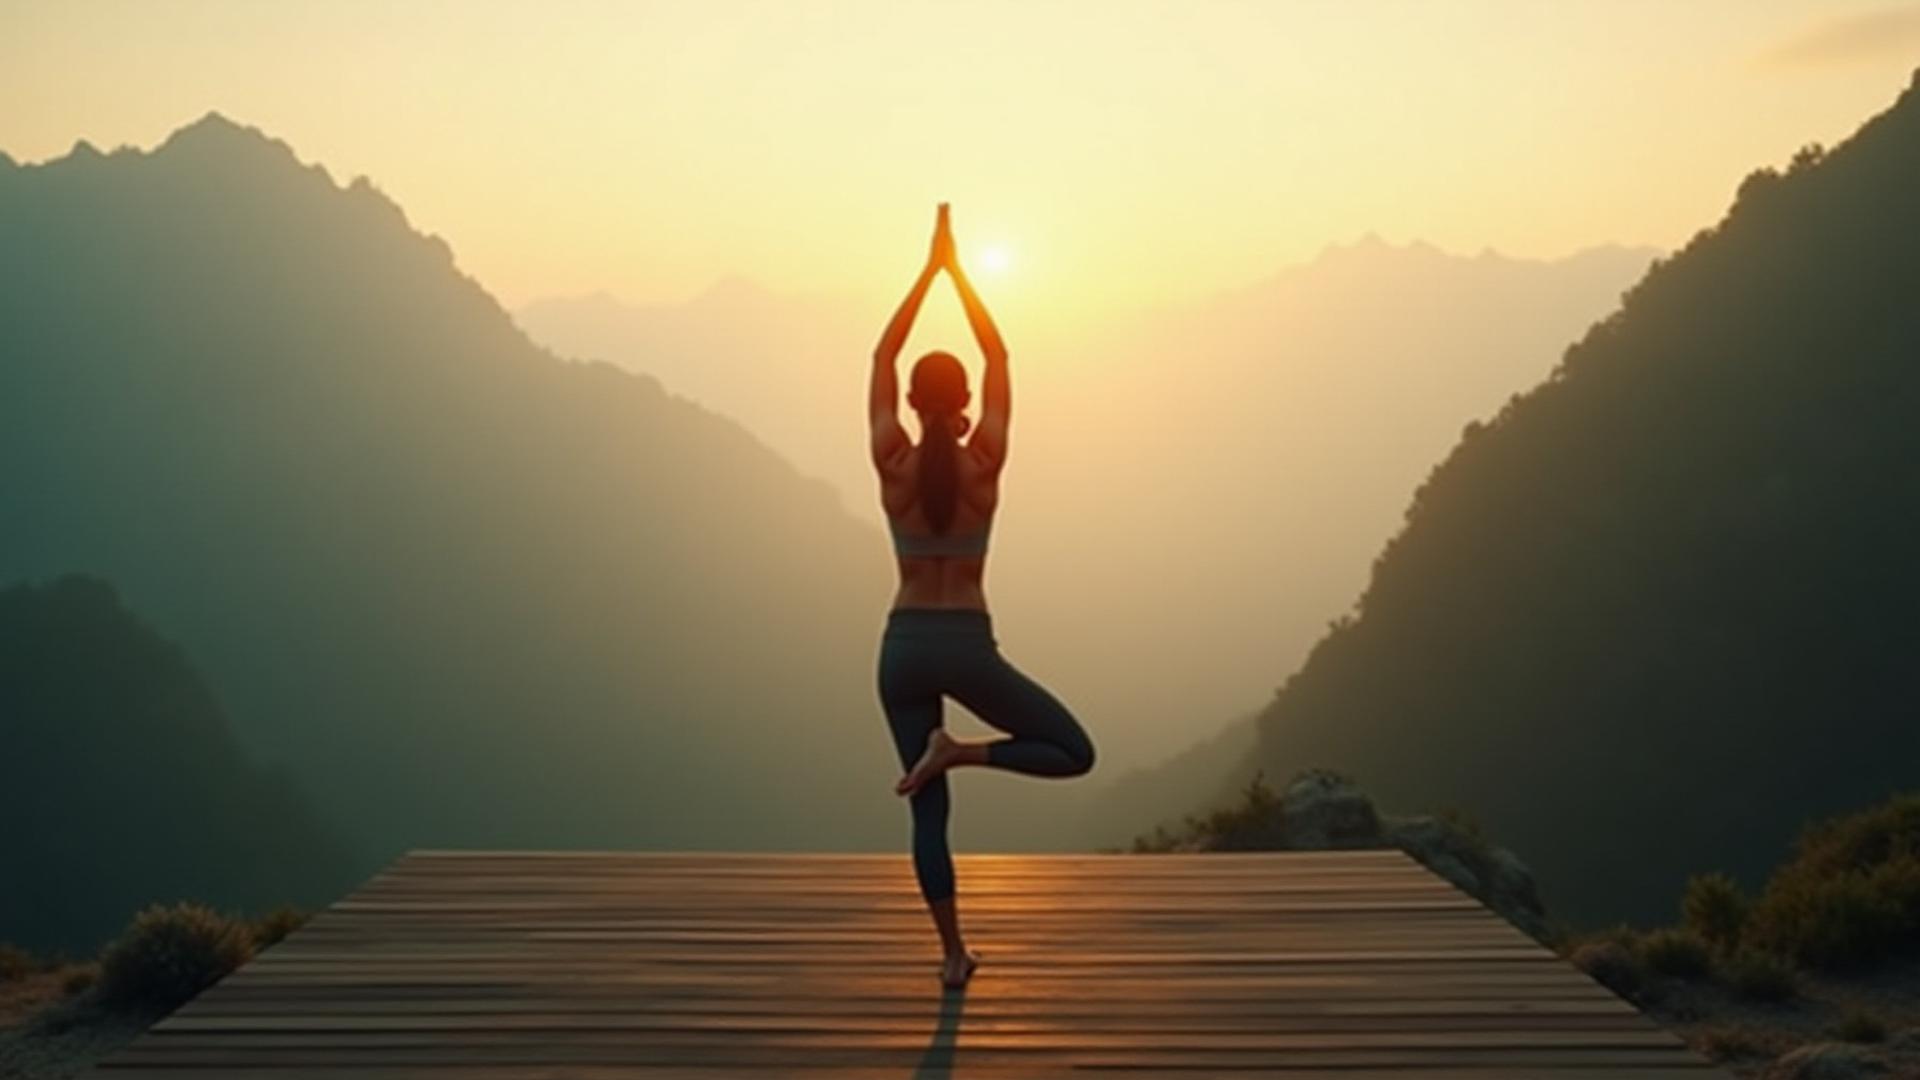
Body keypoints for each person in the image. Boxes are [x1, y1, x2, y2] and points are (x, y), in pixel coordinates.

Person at [869, 203, 1097, 990]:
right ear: (963, 397)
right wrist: (958, 272)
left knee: (926, 814)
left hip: (900, 650)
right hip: (965, 647)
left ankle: (952, 956)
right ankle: (960, 752)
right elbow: (999, 349)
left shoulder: (892, 460)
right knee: (1074, 751)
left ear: (911, 401)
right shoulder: (986, 460)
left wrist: (923, 273)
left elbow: (882, 353)